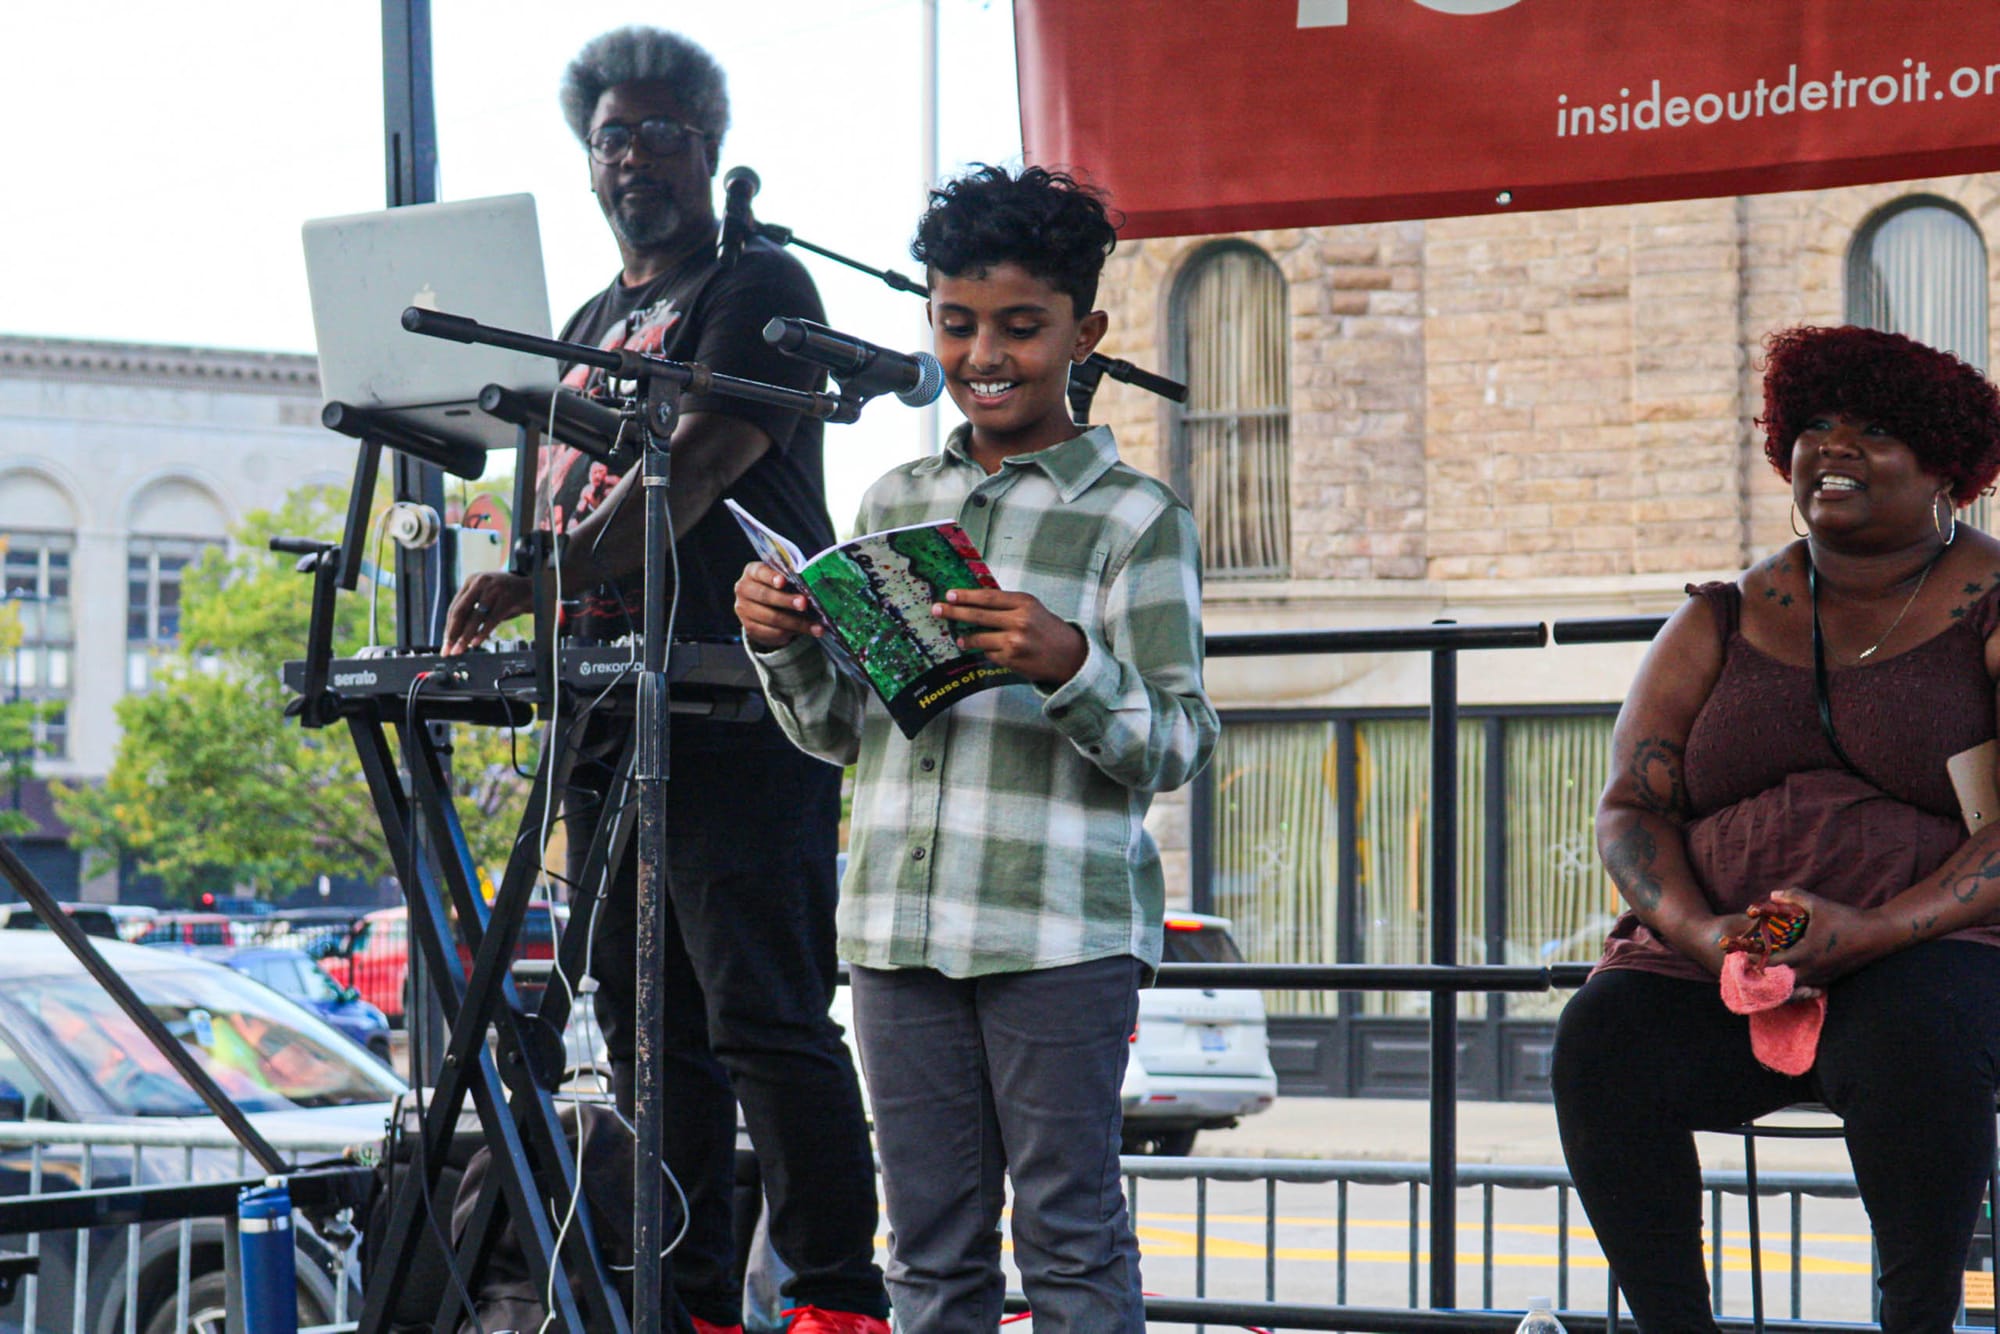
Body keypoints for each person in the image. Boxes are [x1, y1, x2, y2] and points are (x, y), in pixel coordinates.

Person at [442, 27, 889, 1334]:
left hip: (740, 702)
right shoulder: (589, 322)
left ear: (709, 146)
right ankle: (687, 1301)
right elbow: (554, 490)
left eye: (658, 134)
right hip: (612, 711)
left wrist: (540, 580)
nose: (632, 158)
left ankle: (838, 1299)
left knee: (764, 1015)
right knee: (646, 1030)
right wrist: (527, 587)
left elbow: (691, 467)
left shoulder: (759, 285)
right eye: (610, 139)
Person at [734, 164, 1220, 1333]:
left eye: (1019, 325)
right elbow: (841, 731)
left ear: (1082, 333)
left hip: (1059, 935)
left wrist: (1068, 663)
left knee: (1069, 1234)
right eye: (955, 323)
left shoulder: (1135, 518)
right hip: (898, 932)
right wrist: (782, 644)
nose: (982, 354)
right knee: (927, 1248)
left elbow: (1179, 741)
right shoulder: (892, 500)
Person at [1552, 324, 2000, 1332]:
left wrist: (1873, 930)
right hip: (1726, 955)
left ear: (1946, 469)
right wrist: (1699, 932)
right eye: (1815, 425)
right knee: (1601, 1040)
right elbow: (1631, 803)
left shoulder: (1988, 603)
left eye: (1875, 431)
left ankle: (1918, 1322)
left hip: (1938, 944)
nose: (1833, 446)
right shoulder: (1722, 614)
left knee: (1912, 1037)